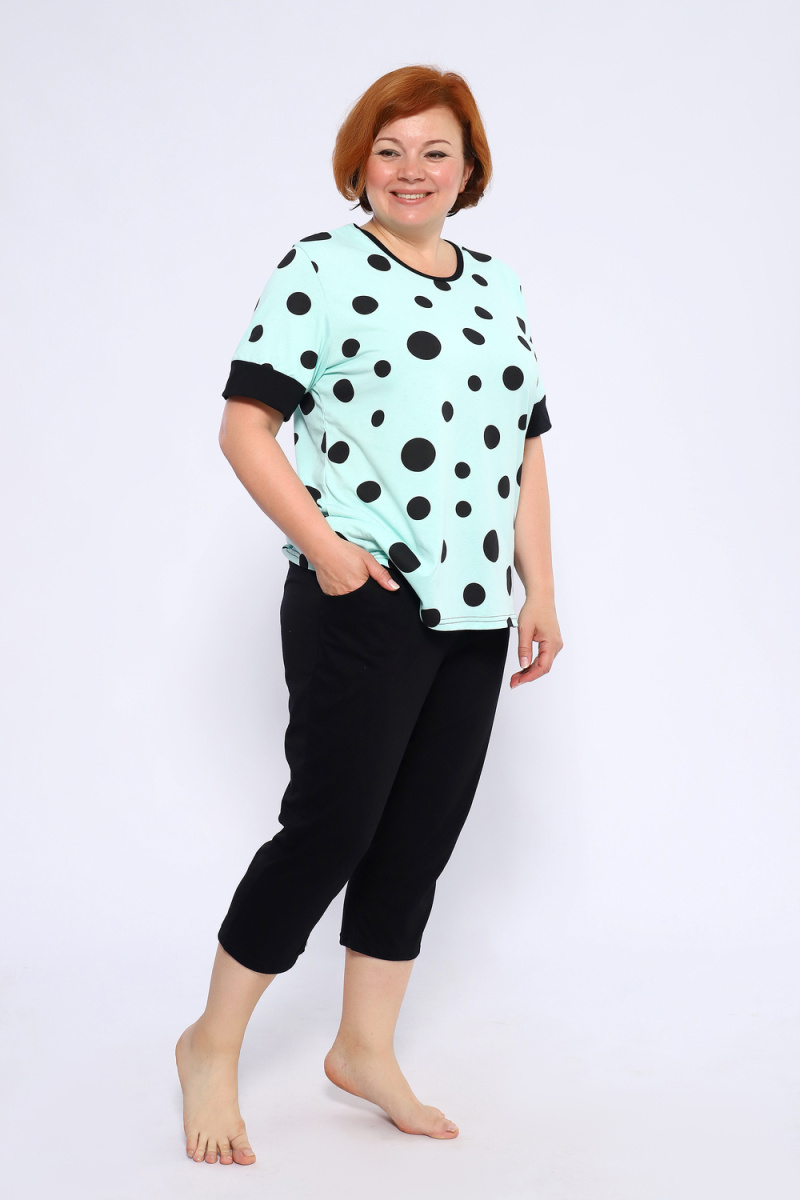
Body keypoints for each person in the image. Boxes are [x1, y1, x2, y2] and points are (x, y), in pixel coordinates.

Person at [176, 64, 563, 1167]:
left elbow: (525, 447)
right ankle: (210, 1044)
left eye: (435, 151)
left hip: (475, 612)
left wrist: (539, 586)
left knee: (418, 835)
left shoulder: (500, 286)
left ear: (469, 168)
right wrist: (329, 553)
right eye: (389, 151)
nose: (411, 171)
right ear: (360, 164)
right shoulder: (322, 267)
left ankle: (363, 1049)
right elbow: (246, 425)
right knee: (330, 831)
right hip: (368, 598)